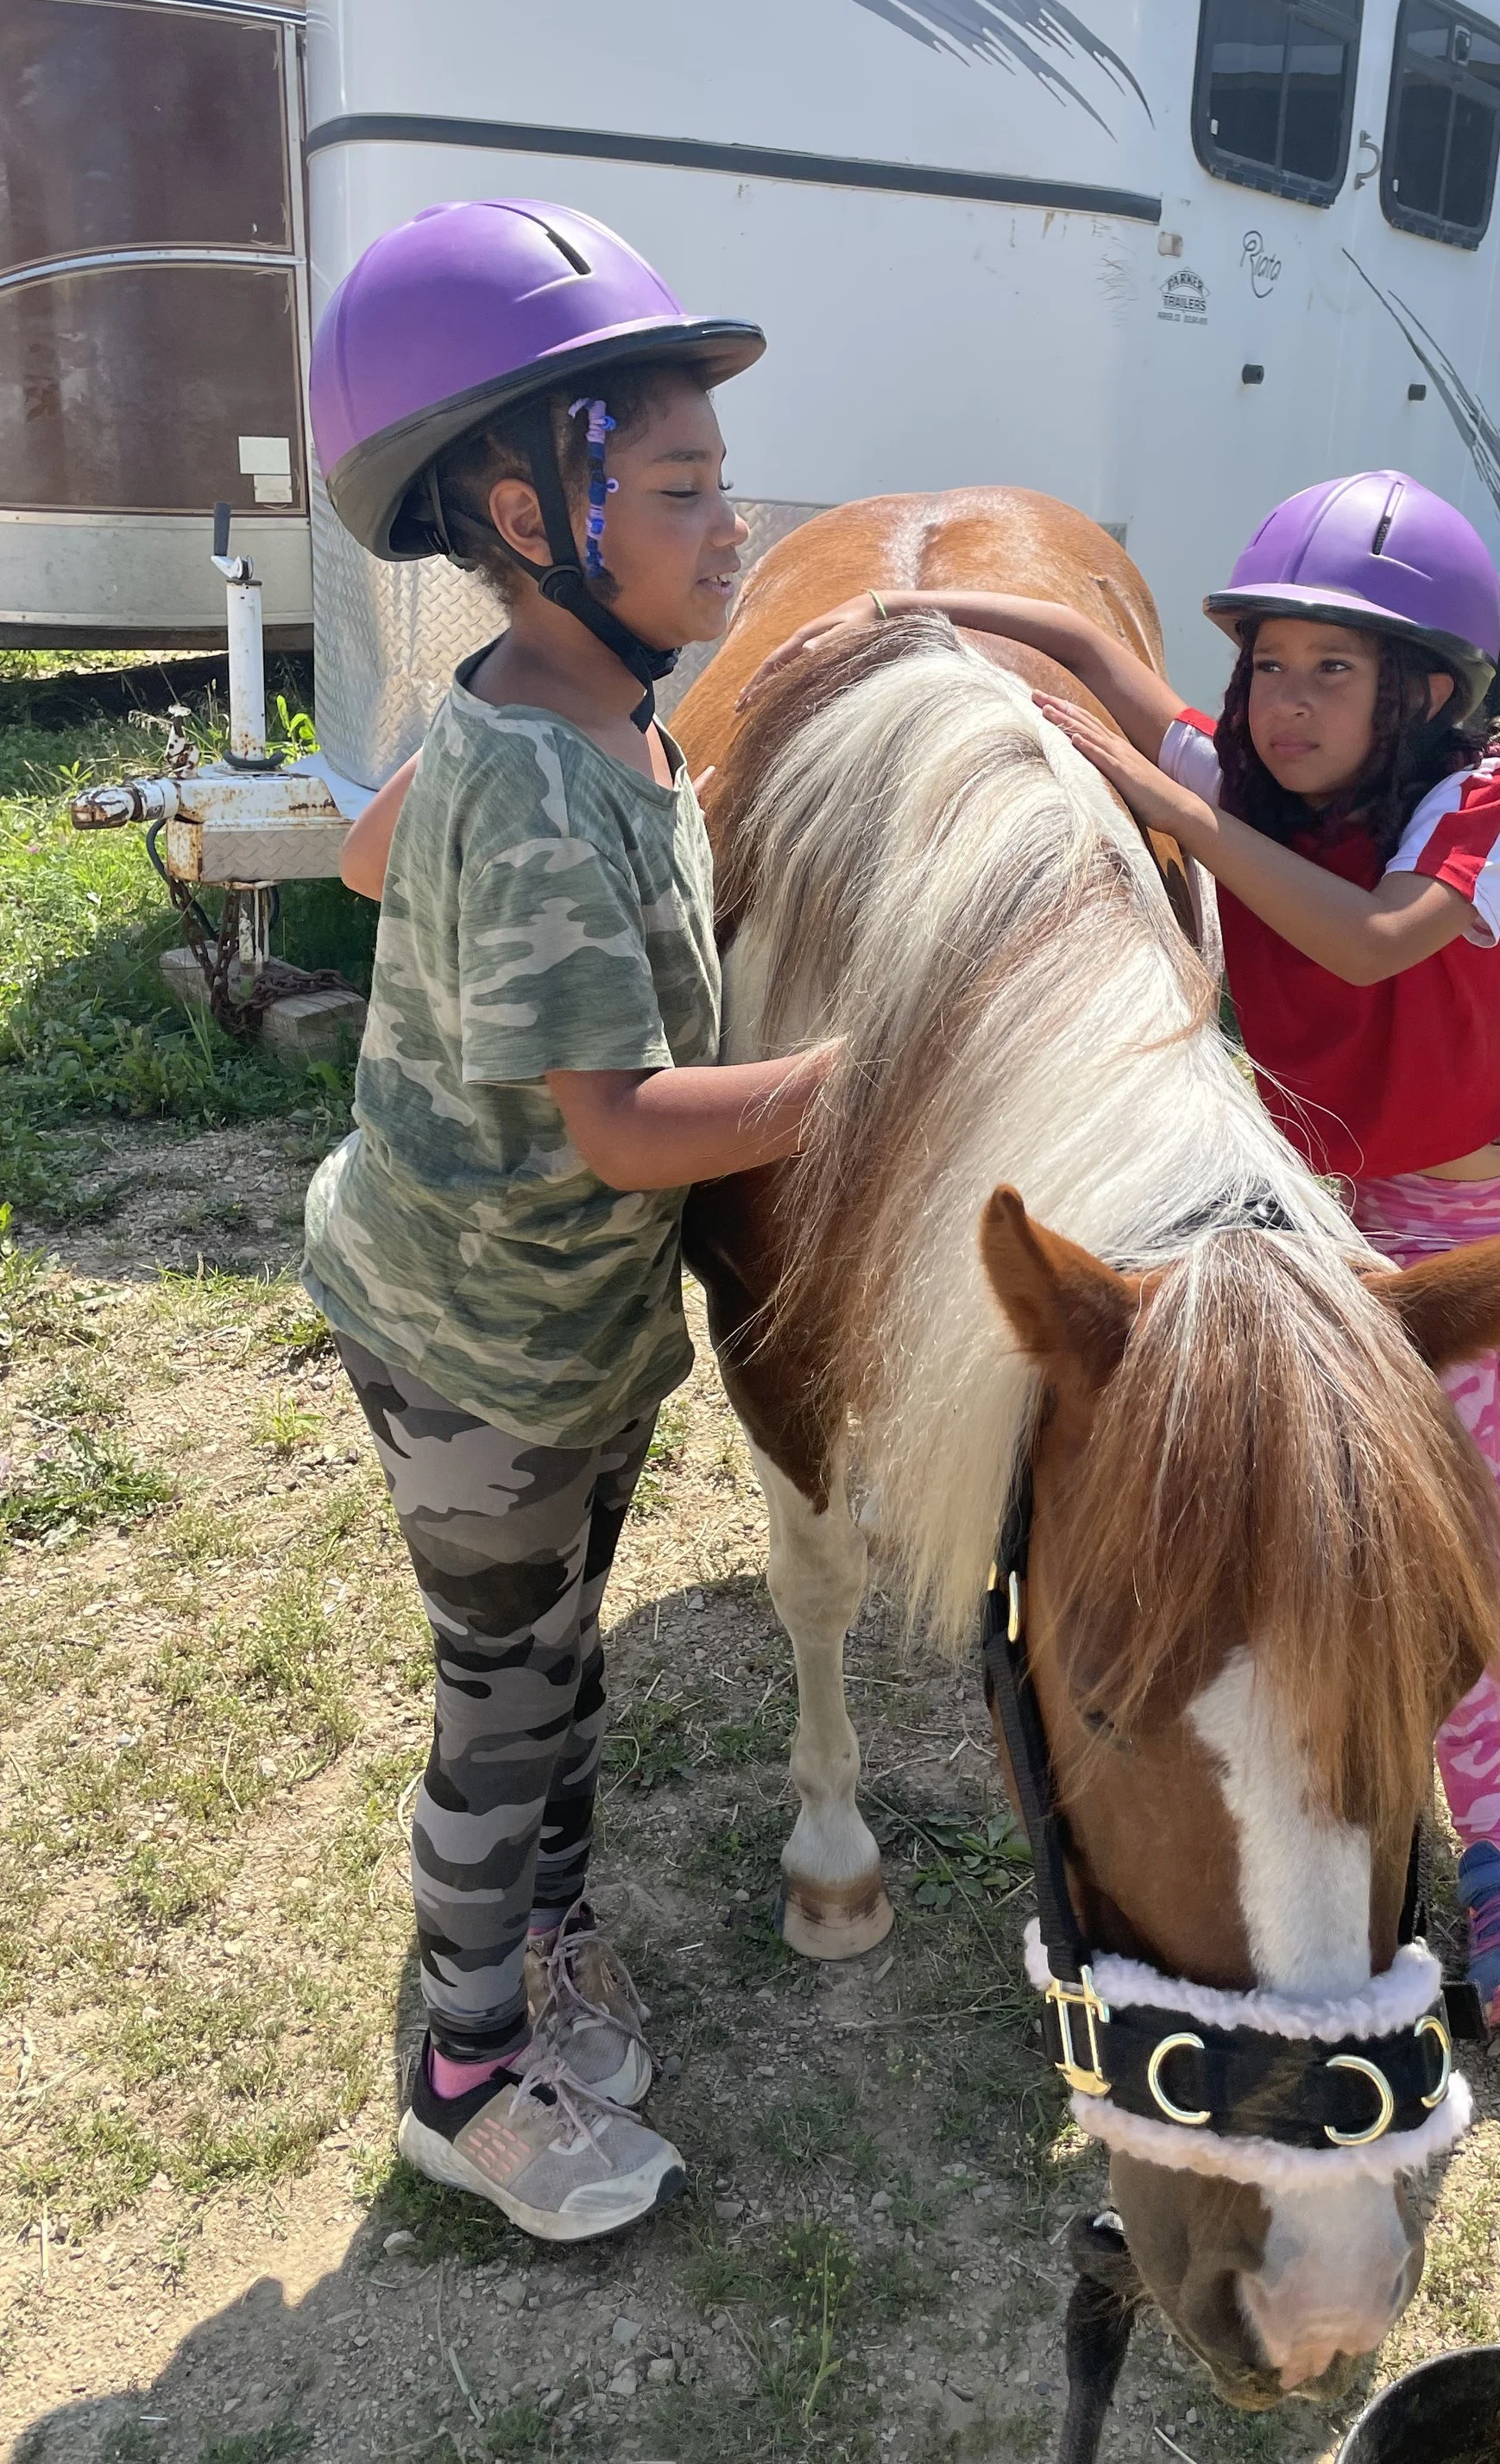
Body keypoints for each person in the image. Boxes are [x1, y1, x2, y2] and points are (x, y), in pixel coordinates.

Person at [745, 473, 1500, 2026]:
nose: (1285, 703)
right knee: (1332, 1534)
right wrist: (924, 615)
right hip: (1377, 1209)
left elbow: (1365, 940)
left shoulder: (1477, 807)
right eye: (1266, 666)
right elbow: (1098, 650)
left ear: (1429, 695)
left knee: (1428, 1544)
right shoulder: (1254, 776)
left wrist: (1163, 804)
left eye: (1332, 672)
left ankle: (1494, 1854)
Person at [305, 199, 835, 2237]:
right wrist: (853, 1073)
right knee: (500, 1707)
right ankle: (462, 2075)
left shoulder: (546, 721)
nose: (734, 527)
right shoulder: (532, 775)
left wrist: (427, 861)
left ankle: (537, 1948)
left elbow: (366, 860)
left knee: (562, 1665)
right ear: (530, 511)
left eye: (725, 484)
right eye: (687, 490)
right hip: (478, 1345)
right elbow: (617, 1128)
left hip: (565, 1329)